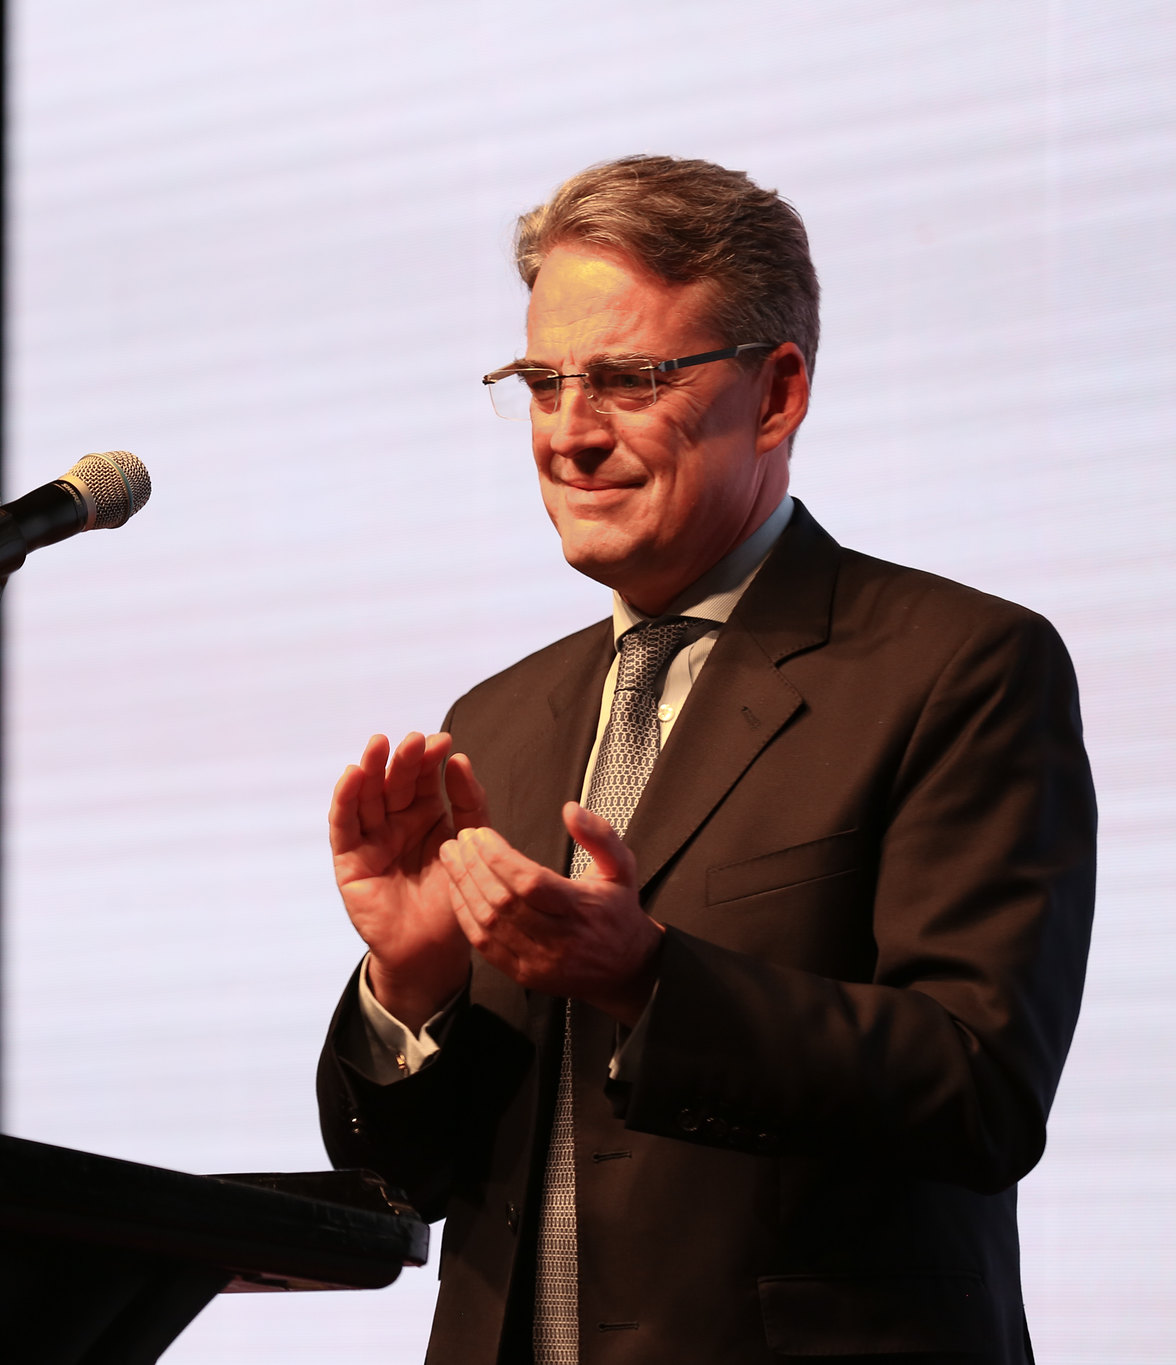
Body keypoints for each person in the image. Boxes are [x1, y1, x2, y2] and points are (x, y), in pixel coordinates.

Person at [316, 156, 1095, 1365]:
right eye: (540, 383)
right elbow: (406, 1184)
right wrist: (409, 990)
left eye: (626, 380)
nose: (568, 434)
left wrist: (648, 977)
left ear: (774, 394)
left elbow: (977, 1089)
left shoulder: (958, 667)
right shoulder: (500, 718)